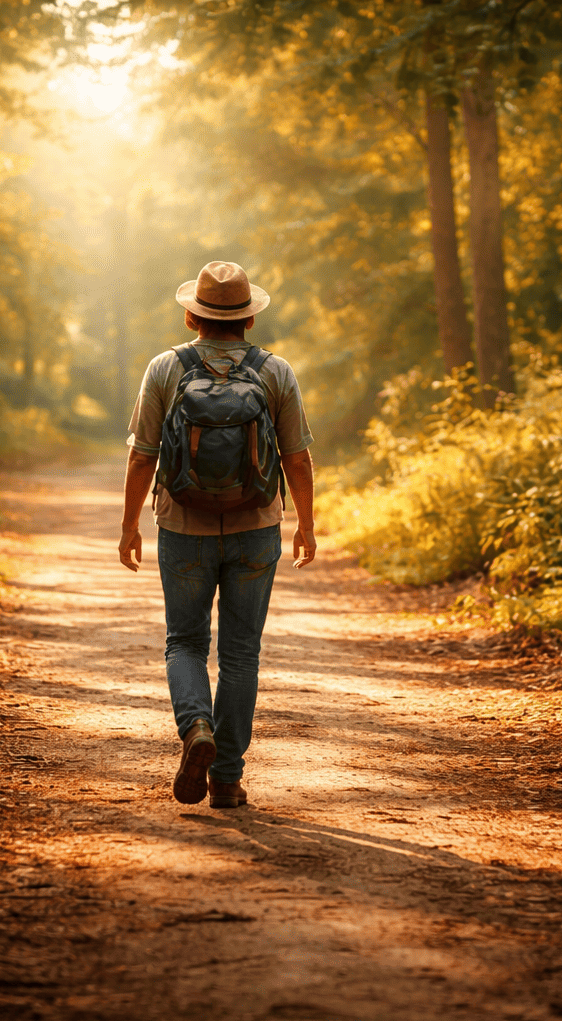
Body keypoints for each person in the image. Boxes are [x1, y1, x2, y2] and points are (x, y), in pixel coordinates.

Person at [118, 261, 317, 809]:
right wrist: (305, 523)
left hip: (183, 525)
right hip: (256, 527)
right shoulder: (275, 372)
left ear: (191, 317)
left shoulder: (165, 368)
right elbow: (297, 456)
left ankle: (196, 727)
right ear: (249, 319)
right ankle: (226, 779)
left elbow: (142, 455)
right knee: (241, 653)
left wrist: (130, 525)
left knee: (184, 642)